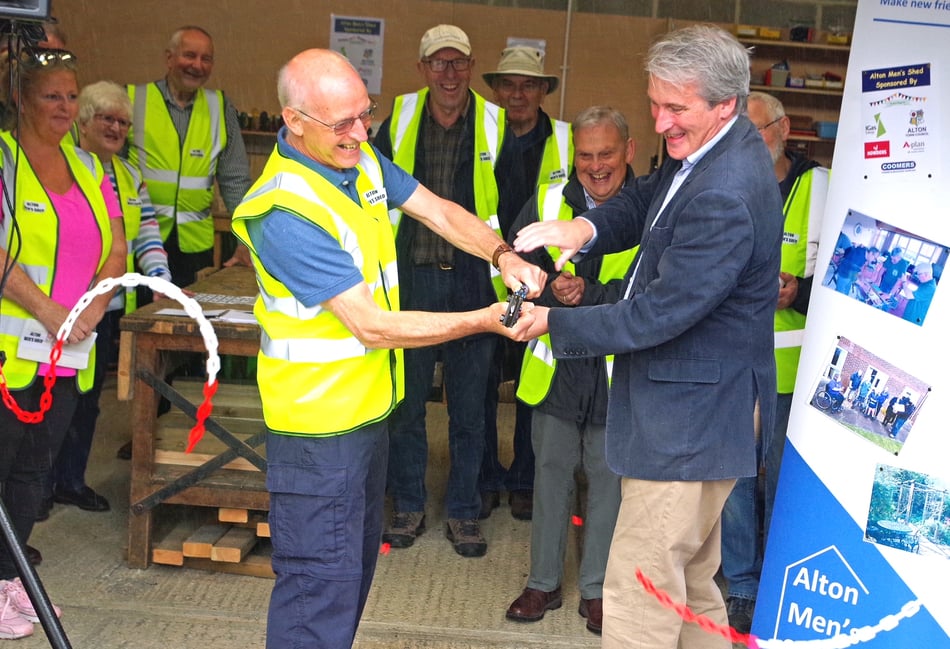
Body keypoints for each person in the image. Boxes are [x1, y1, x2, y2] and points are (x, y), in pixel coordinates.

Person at [230, 49, 543, 649]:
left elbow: (441, 212)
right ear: (293, 121)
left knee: (349, 582)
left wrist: (502, 255)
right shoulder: (283, 210)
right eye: (341, 123)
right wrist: (486, 319)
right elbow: (370, 326)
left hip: (367, 418)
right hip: (318, 436)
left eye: (363, 115)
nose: (360, 132)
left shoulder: (358, 161)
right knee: (316, 594)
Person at [511, 25, 784, 648]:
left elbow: (656, 315)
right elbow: (646, 203)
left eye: (675, 108)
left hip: (687, 425)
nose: (660, 123)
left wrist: (554, 321)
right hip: (698, 419)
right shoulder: (712, 148)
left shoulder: (726, 193)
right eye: (655, 104)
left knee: (639, 595)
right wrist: (582, 228)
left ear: (726, 103)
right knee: (690, 587)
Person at [374, 24, 530, 557]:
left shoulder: (494, 121)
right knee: (407, 405)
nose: (449, 73)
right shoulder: (398, 116)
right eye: (438, 63)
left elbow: (513, 197)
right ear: (422, 69)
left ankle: (464, 511)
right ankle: (410, 505)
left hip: (473, 282)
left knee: (471, 409)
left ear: (469, 66)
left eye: (458, 62)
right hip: (411, 280)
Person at [0, 48, 126, 638]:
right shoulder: (3, 160)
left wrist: (92, 307)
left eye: (72, 96)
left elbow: (115, 249)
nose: (65, 106)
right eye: (52, 94)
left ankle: (8, 577)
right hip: (11, 351)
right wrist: (50, 309)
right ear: (22, 97)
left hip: (69, 352)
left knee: (34, 473)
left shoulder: (90, 168)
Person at [504, 106, 634, 634]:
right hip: (555, 369)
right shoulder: (548, 200)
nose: (596, 166)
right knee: (550, 476)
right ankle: (543, 583)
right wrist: (541, 287)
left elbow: (661, 291)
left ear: (628, 150)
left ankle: (598, 591)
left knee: (607, 486)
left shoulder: (651, 209)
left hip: (615, 374)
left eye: (607, 154)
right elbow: (511, 263)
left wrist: (591, 295)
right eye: (586, 155)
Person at [719, 90, 829, 633]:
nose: (746, 142)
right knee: (737, 475)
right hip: (734, 359)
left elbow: (847, 278)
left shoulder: (819, 187)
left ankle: (783, 579)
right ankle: (741, 584)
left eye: (755, 130)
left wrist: (799, 292)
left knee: (783, 478)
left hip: (794, 364)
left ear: (783, 130)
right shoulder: (725, 183)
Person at [46, 81, 173, 517]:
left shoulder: (128, 174)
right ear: (83, 121)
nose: (116, 128)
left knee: (86, 399)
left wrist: (161, 279)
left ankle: (69, 481)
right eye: (107, 119)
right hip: (59, 306)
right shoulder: (61, 167)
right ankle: (36, 490)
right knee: (49, 399)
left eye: (123, 122)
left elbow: (147, 234)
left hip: (107, 307)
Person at [478, 45, 572, 521]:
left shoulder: (566, 140)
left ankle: (523, 479)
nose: (517, 93)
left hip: (543, 281)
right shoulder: (481, 134)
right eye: (509, 84)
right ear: (495, 90)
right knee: (480, 386)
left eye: (528, 85)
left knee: (531, 386)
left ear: (542, 91)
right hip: (486, 277)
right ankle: (486, 475)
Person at [126, 25, 252, 287]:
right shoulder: (132, 100)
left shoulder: (220, 107)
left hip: (194, 249)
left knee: (188, 322)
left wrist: (246, 241)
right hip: (138, 241)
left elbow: (235, 180)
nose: (197, 65)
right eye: (189, 56)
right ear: (169, 58)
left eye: (206, 59)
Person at [900, 261, 936, 326]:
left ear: (927, 274)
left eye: (919, 274)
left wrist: (904, 281)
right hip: (911, 315)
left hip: (914, 319)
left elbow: (909, 295)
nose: (918, 277)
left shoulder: (930, 288)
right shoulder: (925, 283)